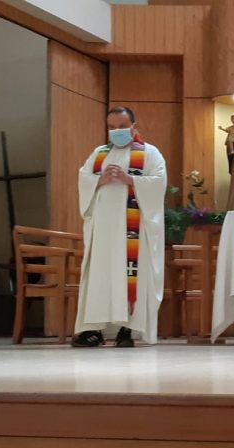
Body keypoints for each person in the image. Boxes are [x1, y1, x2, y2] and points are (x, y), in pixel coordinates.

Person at [72, 106, 167, 348]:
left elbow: (159, 183)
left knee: (130, 276)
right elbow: (84, 178)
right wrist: (99, 180)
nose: (117, 131)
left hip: (133, 231)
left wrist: (129, 179)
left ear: (133, 127)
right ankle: (94, 330)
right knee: (100, 277)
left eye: (122, 126)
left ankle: (128, 330)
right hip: (103, 230)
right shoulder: (99, 153)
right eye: (112, 127)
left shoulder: (149, 153)